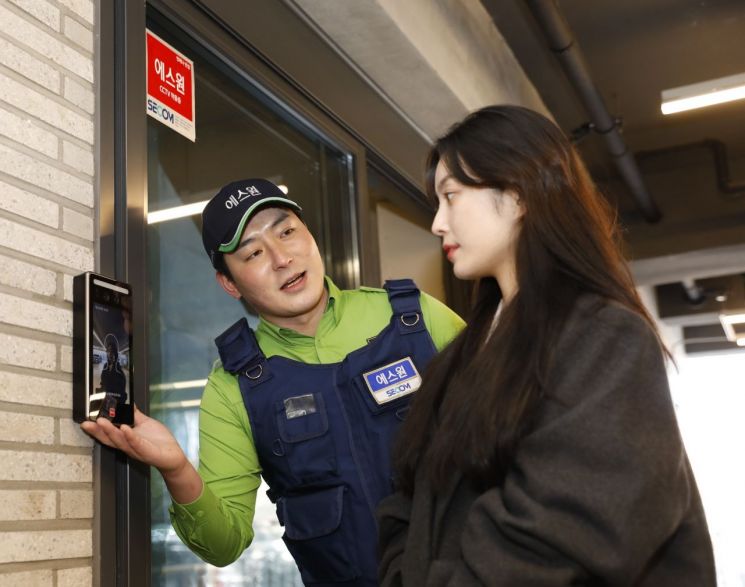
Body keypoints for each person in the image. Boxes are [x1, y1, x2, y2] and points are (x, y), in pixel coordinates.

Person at [377, 105, 716, 586]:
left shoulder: (602, 334)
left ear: (517, 195)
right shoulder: (463, 354)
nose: (437, 223)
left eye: (451, 197)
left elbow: (575, 526)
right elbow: (408, 500)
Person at [81, 178, 464, 585]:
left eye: (287, 232)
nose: (282, 258)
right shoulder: (233, 388)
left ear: (310, 236)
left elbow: (515, 427)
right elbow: (223, 544)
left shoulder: (415, 317)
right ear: (230, 284)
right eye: (253, 253)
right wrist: (176, 467)